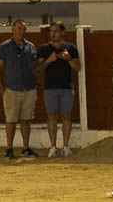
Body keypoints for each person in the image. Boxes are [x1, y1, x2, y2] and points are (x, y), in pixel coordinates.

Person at [0, 19, 40, 159]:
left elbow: (34, 67)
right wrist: (2, 90)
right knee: (11, 120)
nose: (22, 31)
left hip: (29, 89)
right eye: (19, 28)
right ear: (13, 30)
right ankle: (9, 148)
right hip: (12, 89)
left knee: (26, 120)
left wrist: (36, 84)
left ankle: (26, 148)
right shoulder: (4, 47)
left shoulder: (31, 46)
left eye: (24, 29)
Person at [34, 22, 79, 158]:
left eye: (56, 31)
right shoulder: (43, 49)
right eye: (51, 31)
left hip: (66, 87)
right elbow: (38, 69)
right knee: (51, 117)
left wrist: (69, 58)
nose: (53, 33)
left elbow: (78, 67)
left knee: (66, 117)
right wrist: (49, 60)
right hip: (50, 88)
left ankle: (65, 146)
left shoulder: (70, 48)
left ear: (62, 33)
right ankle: (53, 147)